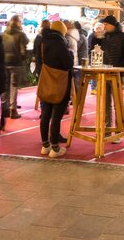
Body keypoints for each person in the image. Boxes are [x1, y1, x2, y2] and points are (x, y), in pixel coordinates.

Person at [38, 20, 73, 157]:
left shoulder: (43, 41)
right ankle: (55, 148)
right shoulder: (60, 43)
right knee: (56, 116)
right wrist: (70, 53)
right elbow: (68, 63)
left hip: (46, 81)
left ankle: (45, 145)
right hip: (60, 82)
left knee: (45, 114)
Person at [100, 15, 124, 142]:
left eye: (106, 25)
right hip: (105, 72)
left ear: (112, 25)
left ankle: (118, 131)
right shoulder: (105, 36)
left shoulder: (122, 37)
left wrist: (120, 66)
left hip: (116, 74)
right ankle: (107, 130)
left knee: (117, 103)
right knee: (106, 103)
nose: (104, 27)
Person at [2, 15, 28, 119]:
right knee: (13, 86)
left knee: (5, 86)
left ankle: (4, 109)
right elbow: (23, 51)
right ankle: (13, 110)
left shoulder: (3, 34)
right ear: (18, 23)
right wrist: (23, 57)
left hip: (4, 62)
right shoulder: (21, 35)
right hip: (16, 63)